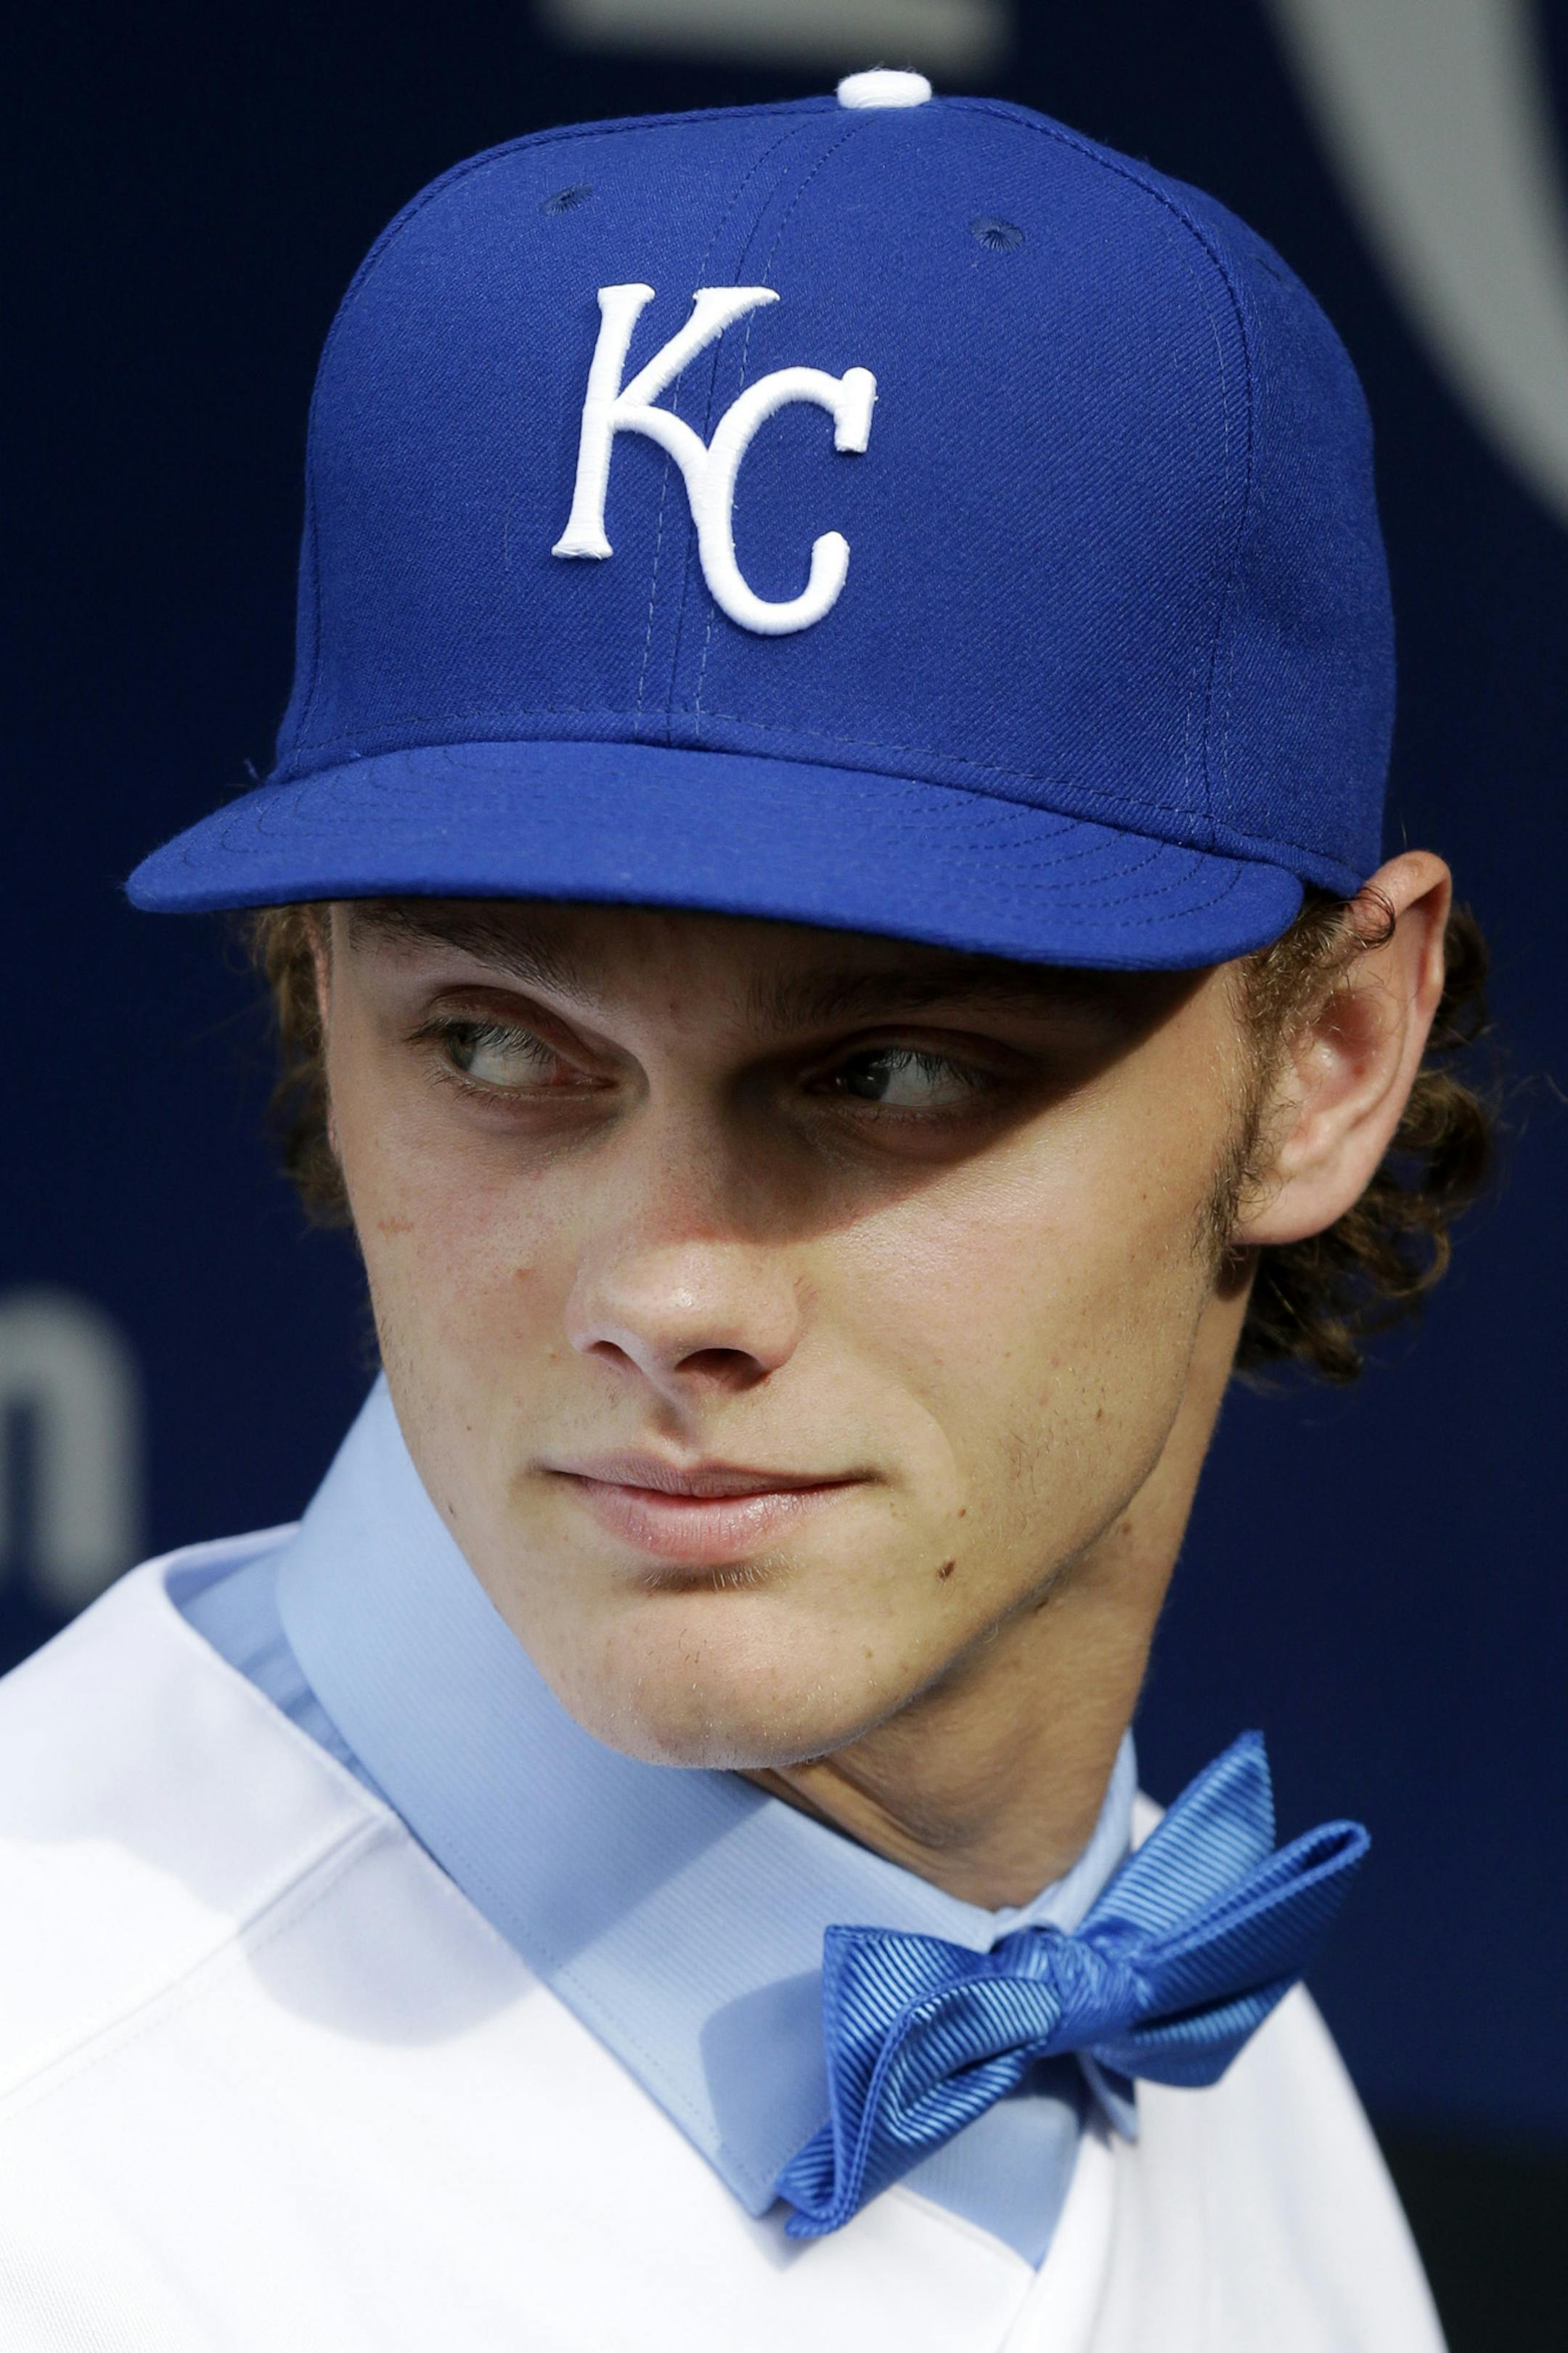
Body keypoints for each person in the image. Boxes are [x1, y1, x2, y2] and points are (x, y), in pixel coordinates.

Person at [0, 68, 1490, 2350]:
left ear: (1332, 1059)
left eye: (887, 1071)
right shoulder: (54, 2155)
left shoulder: (1217, 2042)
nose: (668, 1286)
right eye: (499, 1041)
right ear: (325, 994)